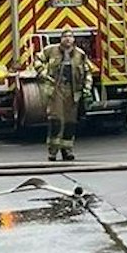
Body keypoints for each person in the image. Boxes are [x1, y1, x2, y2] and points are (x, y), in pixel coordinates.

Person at [33, 32, 92, 162]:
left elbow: (87, 71)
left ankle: (67, 150)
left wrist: (87, 88)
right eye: (65, 36)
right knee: (56, 120)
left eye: (70, 36)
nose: (68, 39)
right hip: (56, 90)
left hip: (73, 91)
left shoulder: (80, 54)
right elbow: (38, 59)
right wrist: (42, 72)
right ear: (61, 39)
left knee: (70, 122)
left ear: (73, 39)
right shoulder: (51, 50)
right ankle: (53, 151)